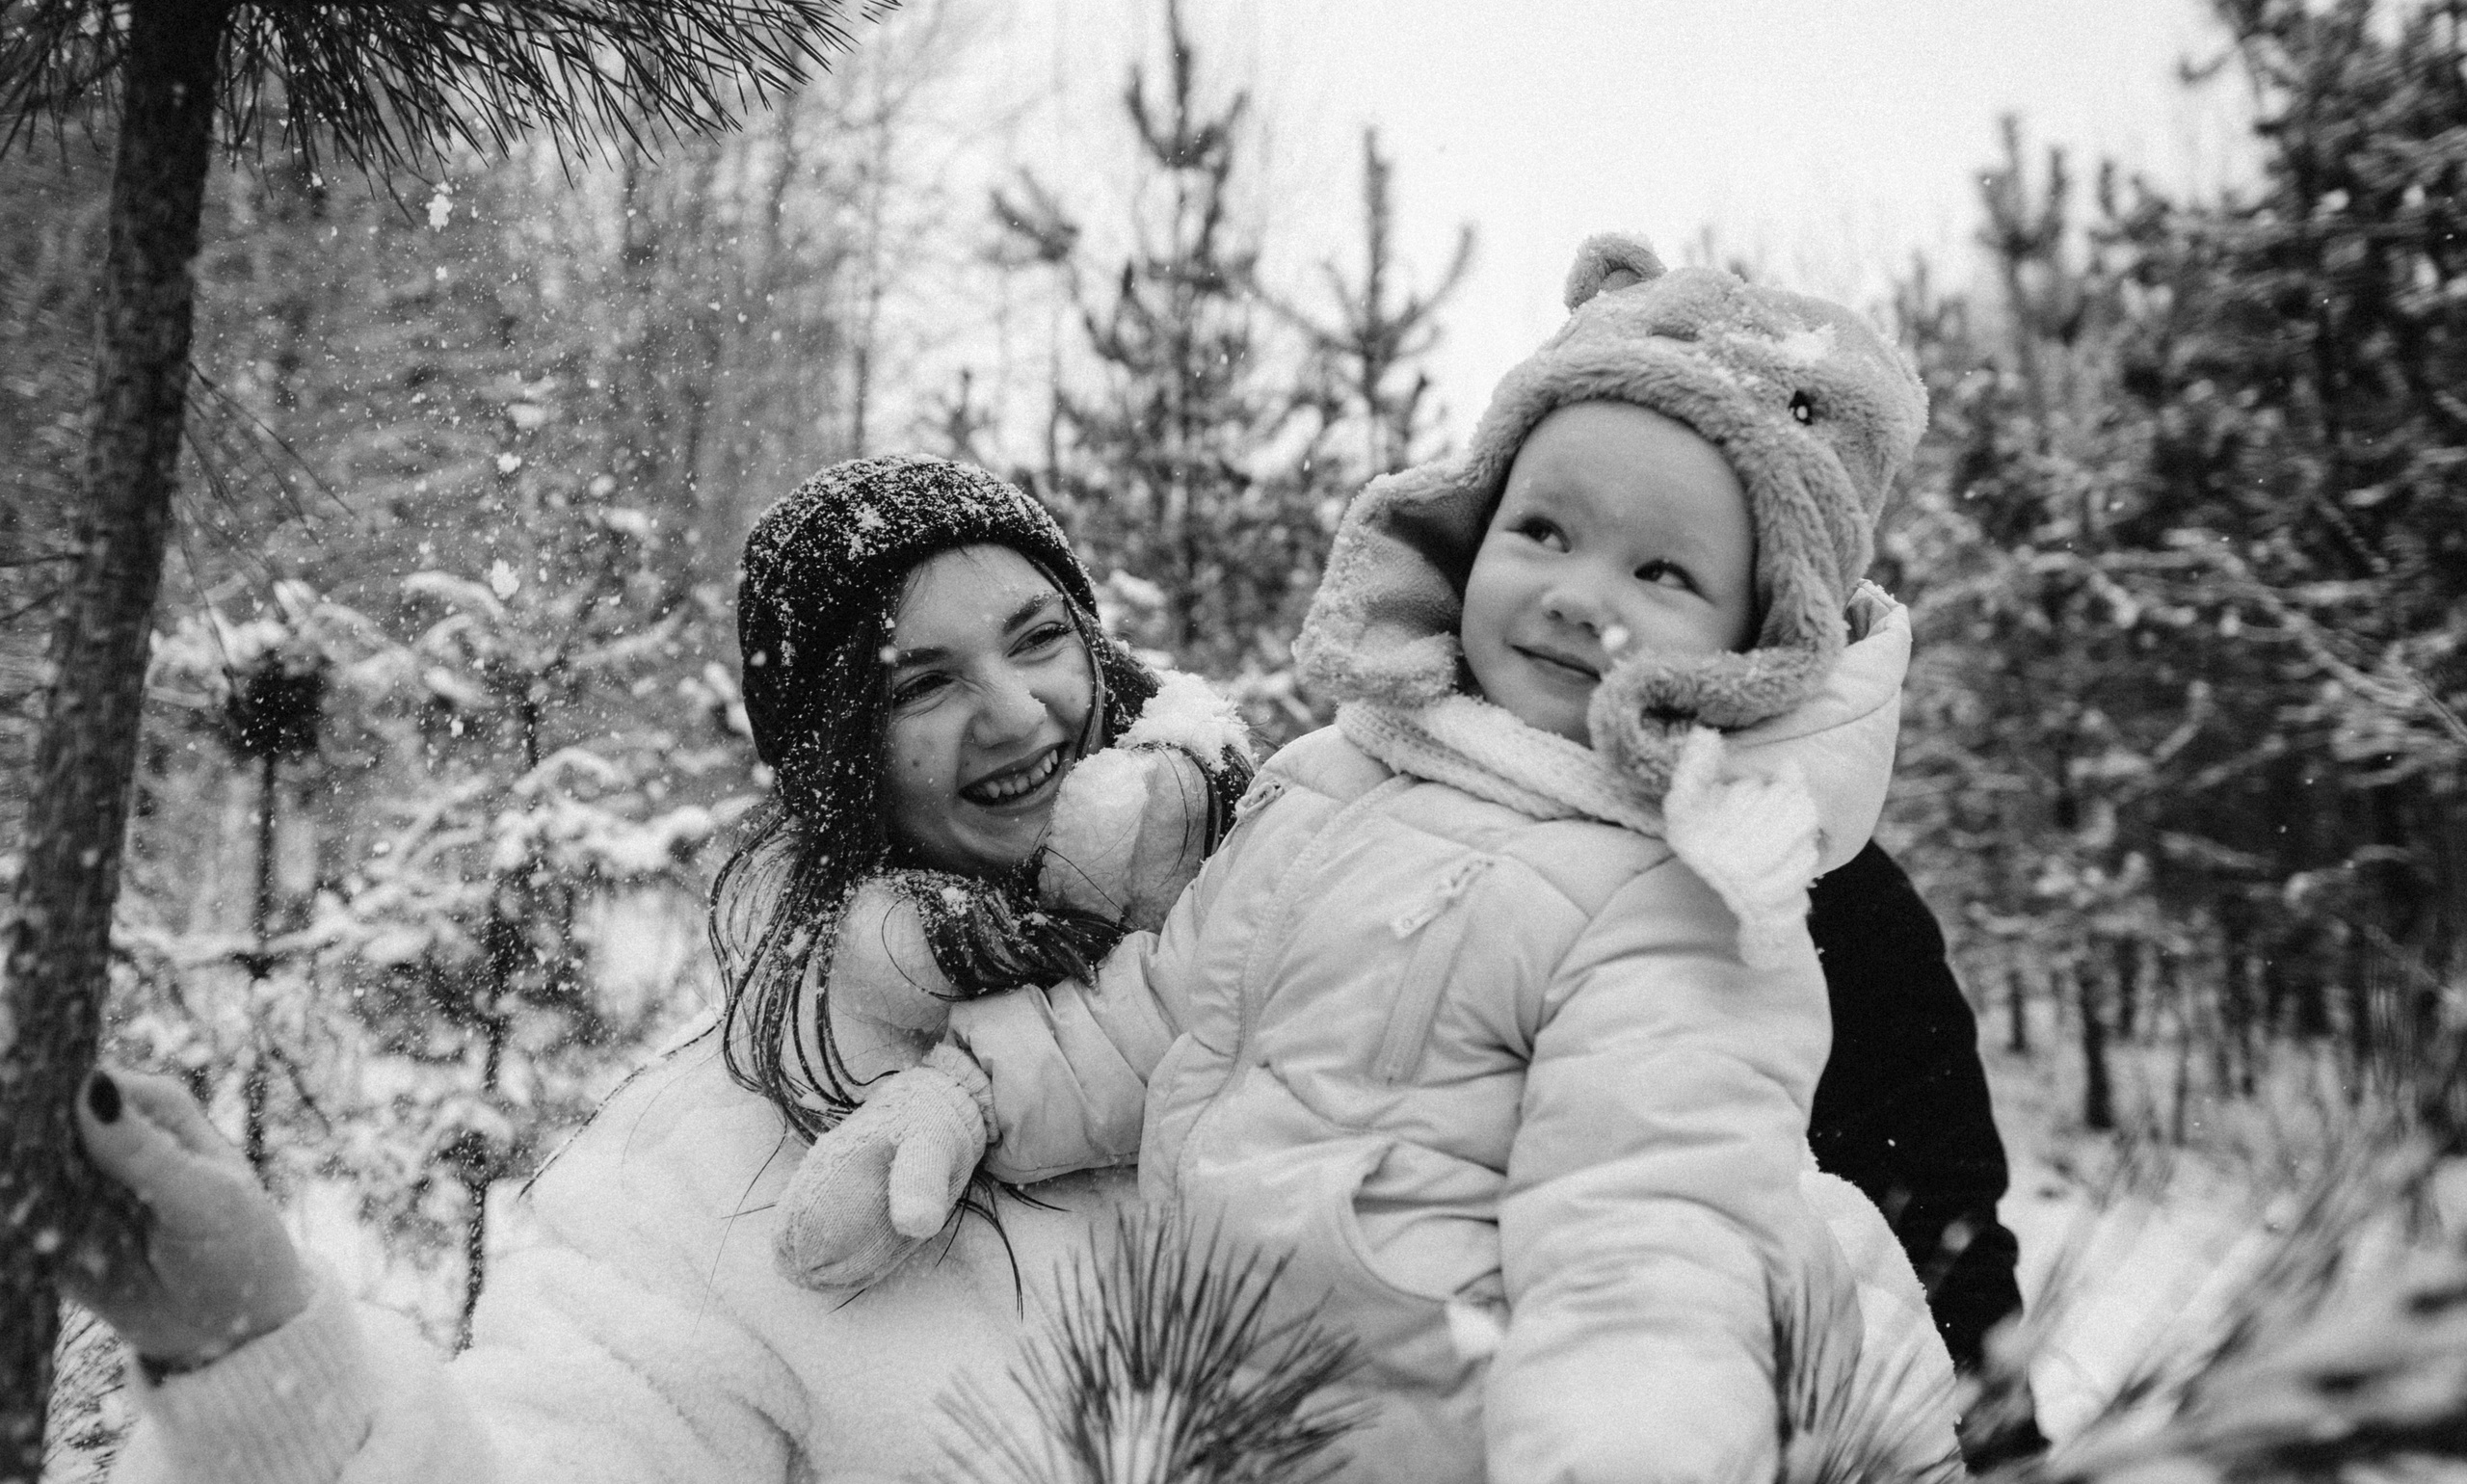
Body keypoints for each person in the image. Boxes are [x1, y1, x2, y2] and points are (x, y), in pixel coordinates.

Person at [776, 235, 1971, 1484]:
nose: (1576, 593)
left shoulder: (1682, 896)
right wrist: (964, 1098)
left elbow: (1650, 1240)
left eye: (1661, 569)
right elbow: (1167, 1007)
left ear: (1761, 639)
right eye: (1544, 528)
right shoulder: (1336, 779)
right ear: (1471, 524)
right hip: (1220, 1416)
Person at [67, 455, 1252, 1484]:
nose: (1015, 713)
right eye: (922, 684)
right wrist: (262, 1361)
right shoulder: (723, 1173)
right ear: (843, 757)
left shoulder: (1308, 933)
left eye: (1038, 639)